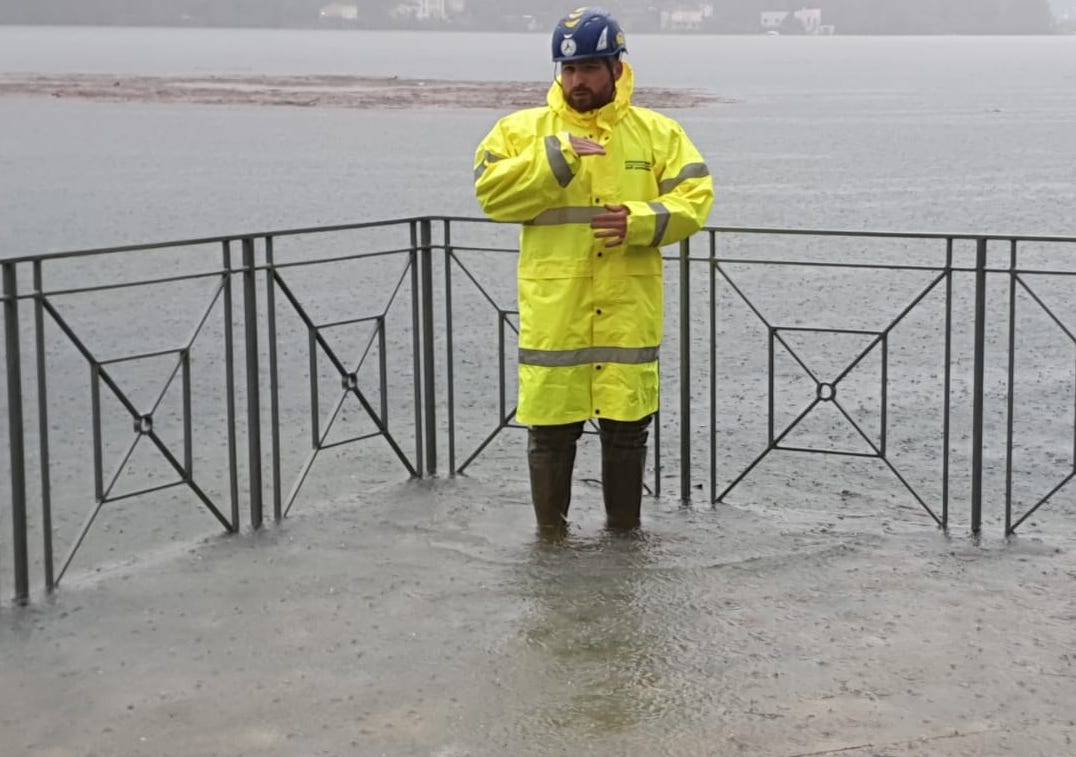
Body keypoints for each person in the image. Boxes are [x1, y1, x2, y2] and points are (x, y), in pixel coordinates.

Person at [473, 7, 714, 533]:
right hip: (556, 318)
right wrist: (555, 157)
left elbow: (696, 198)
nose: (576, 81)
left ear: (615, 67)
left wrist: (641, 221)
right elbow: (491, 194)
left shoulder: (658, 133)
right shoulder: (521, 131)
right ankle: (550, 544)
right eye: (567, 71)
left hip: (627, 313)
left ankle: (623, 542)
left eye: (587, 69)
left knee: (628, 431)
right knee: (549, 433)